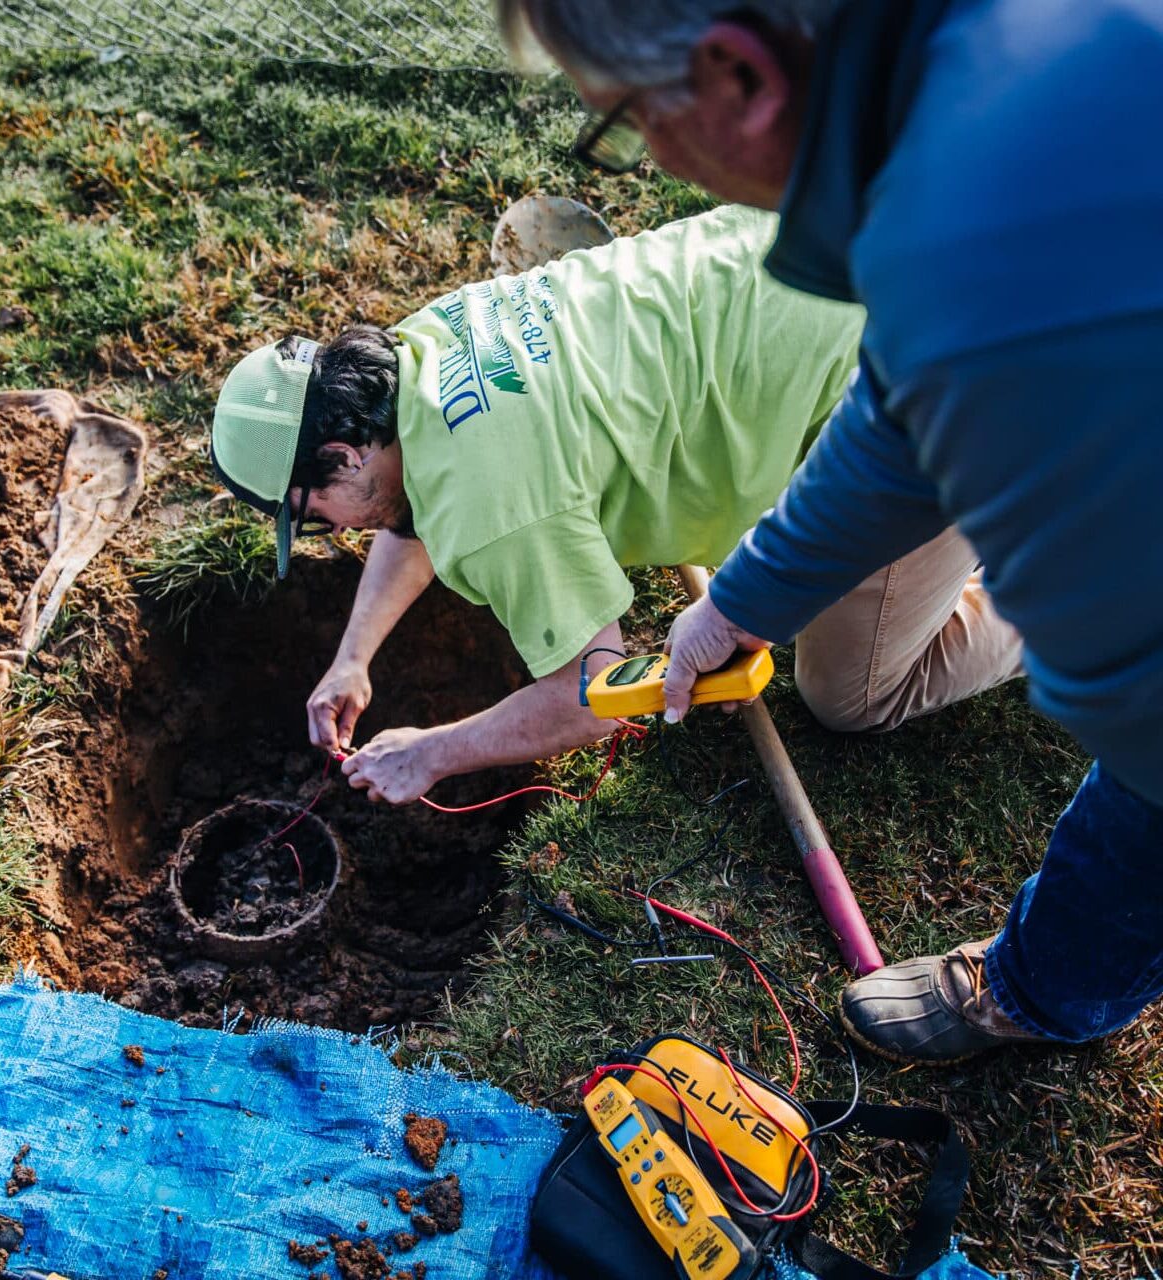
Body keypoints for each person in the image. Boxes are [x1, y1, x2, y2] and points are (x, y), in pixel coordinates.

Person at [497, 0, 1163, 1064]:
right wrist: (738, 601)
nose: (651, 159)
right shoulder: (967, 79)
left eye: (626, 121)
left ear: (737, 74)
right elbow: (898, 408)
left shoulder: (982, 248)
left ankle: (1048, 988)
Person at [209, 205, 1019, 810]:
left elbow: (590, 698)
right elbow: (411, 508)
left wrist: (433, 753)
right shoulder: (417, 350)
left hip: (917, 382)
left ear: (342, 454)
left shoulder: (495, 507)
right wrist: (354, 656)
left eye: (311, 511)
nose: (333, 529)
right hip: (833, 243)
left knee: (850, 694)